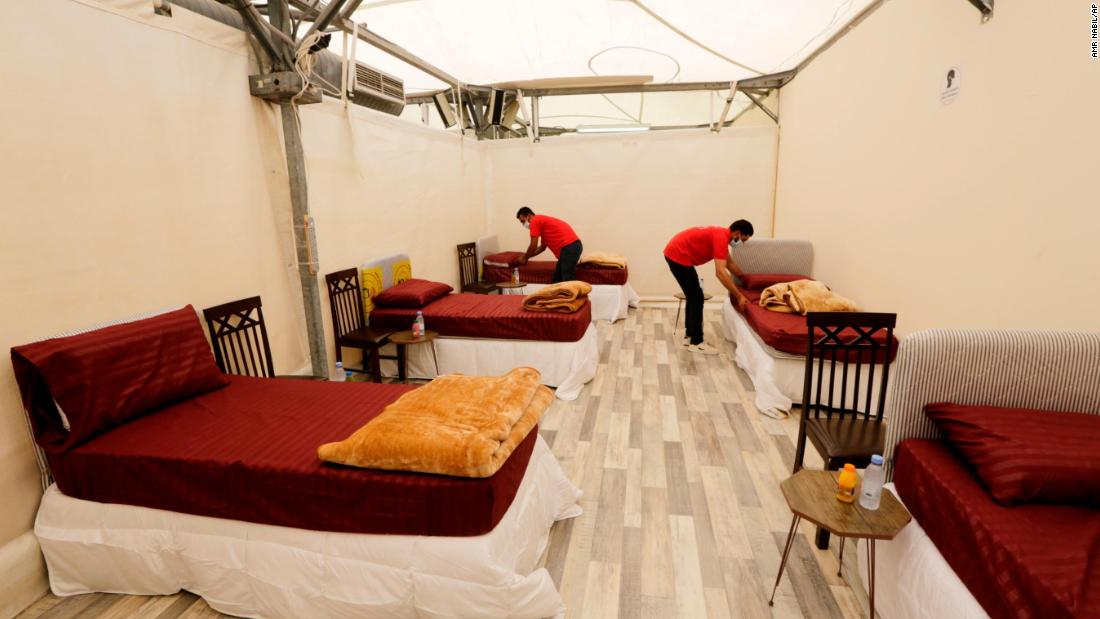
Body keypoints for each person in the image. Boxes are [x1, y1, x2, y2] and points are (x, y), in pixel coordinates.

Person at [663, 220, 754, 354]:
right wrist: (739, 296)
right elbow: (720, 273)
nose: (741, 244)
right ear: (737, 233)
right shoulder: (720, 238)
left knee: (693, 296)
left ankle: (689, 336)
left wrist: (745, 279)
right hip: (678, 256)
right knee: (697, 297)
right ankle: (697, 342)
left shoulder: (721, 235)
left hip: (674, 253)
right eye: (743, 240)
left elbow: (729, 264)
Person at [515, 207, 583, 283]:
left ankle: (572, 294)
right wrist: (527, 257)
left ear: (529, 216)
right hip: (572, 247)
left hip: (570, 247)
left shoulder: (535, 221)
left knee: (567, 279)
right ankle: (556, 294)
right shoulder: (543, 225)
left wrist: (525, 257)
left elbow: (533, 245)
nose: (523, 224)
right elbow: (542, 248)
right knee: (557, 281)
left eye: (523, 221)